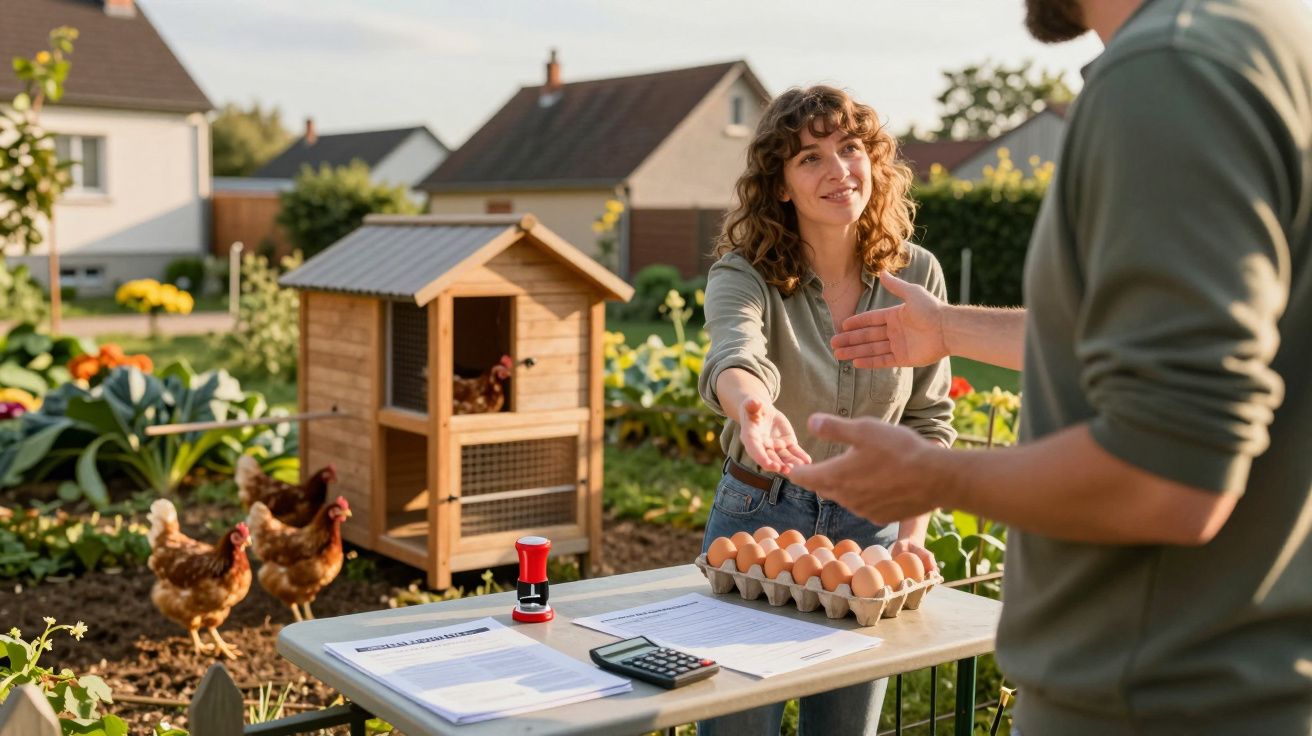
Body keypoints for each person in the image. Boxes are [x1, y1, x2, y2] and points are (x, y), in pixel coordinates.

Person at [787, 0, 1312, 733]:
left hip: (1152, 693)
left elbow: (1171, 470)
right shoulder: (1264, 36)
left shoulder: (1171, 68)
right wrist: (945, 328)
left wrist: (935, 477)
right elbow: (1165, 344)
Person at [696, 85, 954, 735]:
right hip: (758, 518)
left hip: (871, 530)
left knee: (845, 729)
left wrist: (911, 541)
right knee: (736, 724)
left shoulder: (916, 276)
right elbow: (735, 354)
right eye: (810, 158)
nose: (839, 170)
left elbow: (928, 421)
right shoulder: (743, 272)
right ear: (779, 184)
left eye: (849, 149)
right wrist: (753, 409)